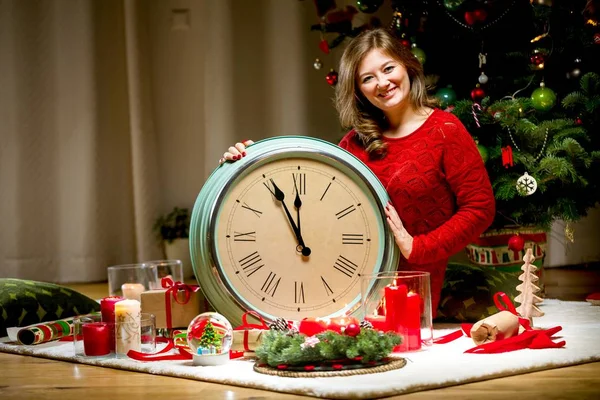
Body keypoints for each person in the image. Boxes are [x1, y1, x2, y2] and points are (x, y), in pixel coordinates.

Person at [219, 28, 495, 317]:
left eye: (389, 68)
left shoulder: (445, 131)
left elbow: (480, 208)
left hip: (412, 291)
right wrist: (250, 163)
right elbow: (310, 206)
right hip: (339, 286)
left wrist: (419, 247)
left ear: (407, 67)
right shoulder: (353, 143)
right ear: (358, 89)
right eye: (368, 78)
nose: (382, 83)